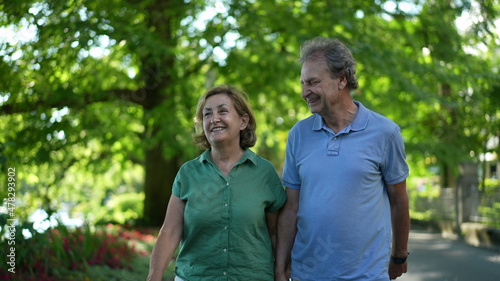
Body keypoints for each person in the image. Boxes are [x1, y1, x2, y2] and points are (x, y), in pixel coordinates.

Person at [275, 37, 410, 281]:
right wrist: (281, 267)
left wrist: (399, 255)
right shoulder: (298, 135)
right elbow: (291, 207)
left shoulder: (386, 133)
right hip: (307, 274)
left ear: (341, 80)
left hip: (366, 275)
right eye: (303, 83)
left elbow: (399, 201)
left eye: (313, 82)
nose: (305, 92)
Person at [147, 84, 287, 281]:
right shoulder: (188, 174)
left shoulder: (265, 173)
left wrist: (281, 273)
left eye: (223, 111)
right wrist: (154, 276)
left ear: (243, 121)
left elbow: (276, 234)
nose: (214, 119)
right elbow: (169, 232)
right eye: (207, 114)